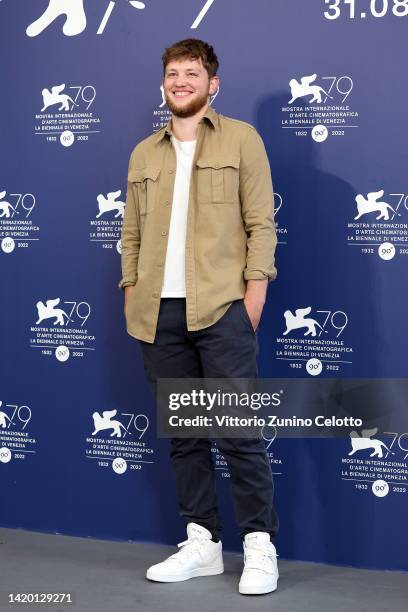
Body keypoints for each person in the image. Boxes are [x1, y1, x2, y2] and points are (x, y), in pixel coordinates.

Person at [119, 38, 279, 596]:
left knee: (239, 434)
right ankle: (202, 544)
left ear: (213, 83)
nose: (180, 80)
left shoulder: (242, 139)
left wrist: (252, 299)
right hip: (156, 315)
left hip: (221, 309)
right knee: (184, 436)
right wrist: (131, 291)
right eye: (172, 72)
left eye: (192, 72)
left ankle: (259, 546)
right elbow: (131, 235)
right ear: (163, 84)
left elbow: (261, 224)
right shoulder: (144, 153)